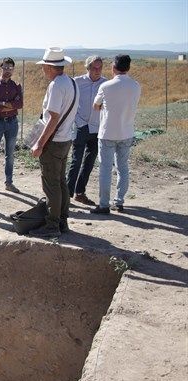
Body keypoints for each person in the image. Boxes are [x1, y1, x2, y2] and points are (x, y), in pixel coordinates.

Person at [30, 47, 79, 238]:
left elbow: (53, 118)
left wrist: (40, 144)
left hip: (54, 141)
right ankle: (62, 221)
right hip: (65, 139)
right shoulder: (71, 83)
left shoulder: (56, 85)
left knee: (51, 185)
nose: (43, 70)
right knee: (60, 182)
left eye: (44, 66)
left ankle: (52, 226)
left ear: (50, 67)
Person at [90, 54, 141, 214]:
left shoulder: (105, 86)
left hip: (107, 132)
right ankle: (119, 202)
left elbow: (95, 106)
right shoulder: (136, 86)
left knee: (105, 169)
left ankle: (104, 204)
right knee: (123, 168)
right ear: (128, 68)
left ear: (113, 67)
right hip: (126, 132)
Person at [66, 55, 107, 205]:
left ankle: (80, 192)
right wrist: (78, 122)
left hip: (98, 128)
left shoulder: (105, 84)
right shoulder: (77, 82)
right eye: (94, 68)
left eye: (100, 67)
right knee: (76, 161)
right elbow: (71, 102)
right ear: (88, 68)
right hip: (81, 126)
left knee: (89, 162)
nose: (97, 71)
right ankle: (67, 194)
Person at [0, 57, 23, 194]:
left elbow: (20, 105)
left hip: (12, 122)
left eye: (10, 68)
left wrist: (3, 104)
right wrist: (10, 104)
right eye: (5, 67)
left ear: (13, 69)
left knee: (10, 155)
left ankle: (9, 183)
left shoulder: (16, 86)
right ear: (0, 68)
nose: (7, 70)